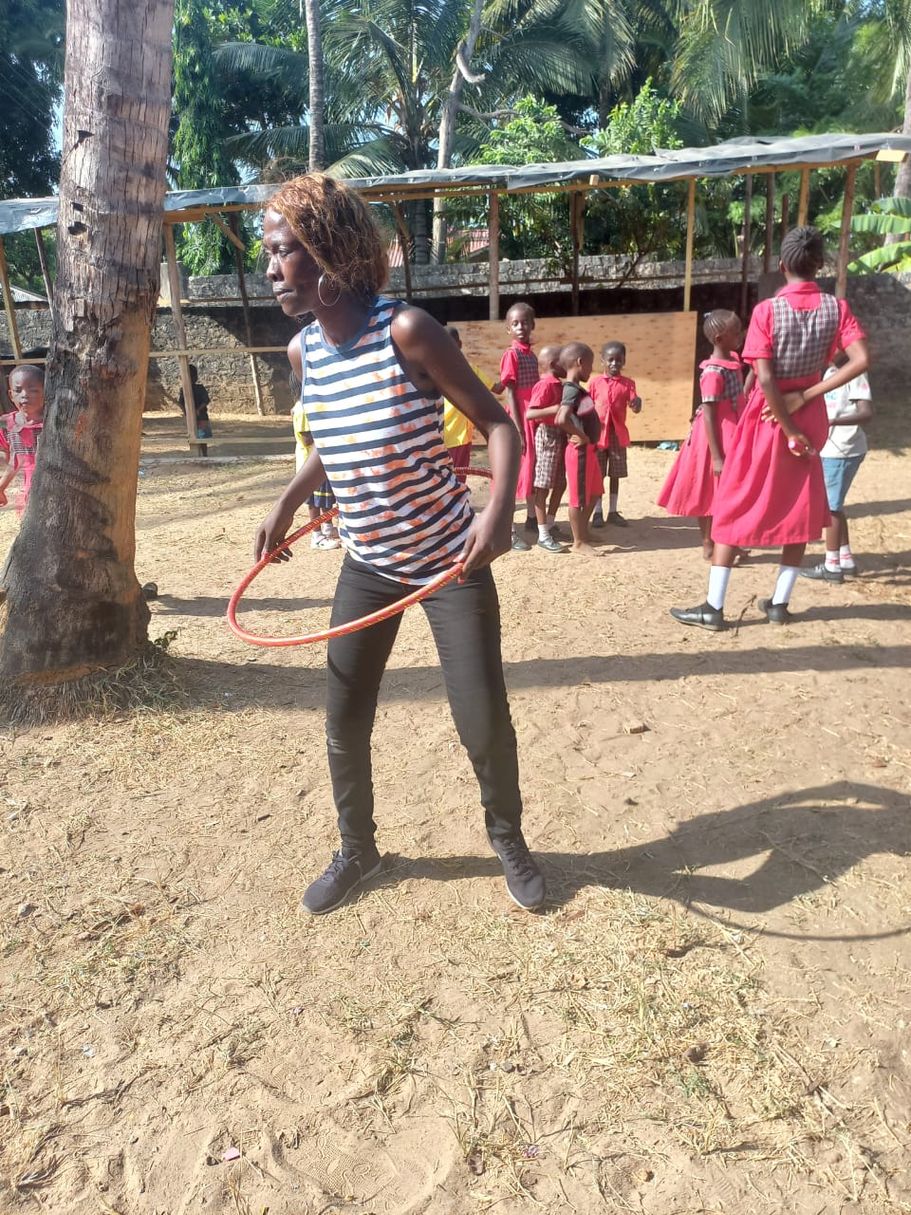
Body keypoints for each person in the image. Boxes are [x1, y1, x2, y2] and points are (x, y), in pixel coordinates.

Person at [254, 173, 545, 915]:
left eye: (282, 252)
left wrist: (497, 510)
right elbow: (336, 437)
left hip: (452, 558)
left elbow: (498, 424)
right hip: (369, 562)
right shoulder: (302, 355)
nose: (268, 268)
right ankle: (358, 849)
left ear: (326, 256)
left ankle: (507, 836)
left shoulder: (406, 331)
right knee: (344, 716)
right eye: (267, 252)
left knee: (480, 718)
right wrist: (287, 499)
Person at [670, 226, 868, 632]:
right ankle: (779, 603)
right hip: (810, 415)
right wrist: (808, 396)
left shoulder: (767, 311)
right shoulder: (837, 307)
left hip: (767, 416)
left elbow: (762, 377)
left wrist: (785, 417)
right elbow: (860, 360)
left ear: (781, 266)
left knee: (733, 501)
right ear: (819, 264)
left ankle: (713, 606)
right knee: (800, 503)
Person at [657, 311, 745, 561]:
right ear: (719, 338)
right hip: (713, 438)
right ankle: (708, 542)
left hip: (732, 431)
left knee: (731, 491)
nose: (740, 335)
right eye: (736, 332)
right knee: (708, 491)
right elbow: (709, 415)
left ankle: (728, 541)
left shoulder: (733, 360)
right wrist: (716, 457)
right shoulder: (712, 373)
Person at [798, 360, 873, 582]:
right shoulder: (828, 371)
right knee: (835, 504)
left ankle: (832, 566)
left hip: (843, 449)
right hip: (830, 447)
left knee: (831, 507)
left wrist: (831, 421)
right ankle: (845, 559)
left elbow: (866, 413)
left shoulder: (855, 373)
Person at [588, 341, 641, 527]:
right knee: (599, 474)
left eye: (619, 360)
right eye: (610, 359)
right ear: (602, 360)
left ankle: (612, 510)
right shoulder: (595, 383)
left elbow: (635, 406)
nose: (614, 364)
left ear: (624, 360)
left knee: (615, 474)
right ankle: (597, 511)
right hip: (598, 434)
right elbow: (587, 406)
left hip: (617, 435)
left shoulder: (628, 384)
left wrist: (637, 404)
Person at [499, 301, 539, 550]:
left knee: (532, 469)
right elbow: (510, 392)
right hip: (519, 417)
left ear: (532, 325)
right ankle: (508, 530)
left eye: (524, 322)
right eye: (515, 323)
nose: (520, 327)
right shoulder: (511, 355)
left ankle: (533, 519)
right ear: (508, 329)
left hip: (532, 416)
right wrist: (517, 427)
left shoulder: (531, 354)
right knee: (514, 473)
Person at [556, 342, 602, 553]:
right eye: (591, 365)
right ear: (580, 362)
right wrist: (581, 435)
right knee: (579, 498)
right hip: (579, 451)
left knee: (594, 493)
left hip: (589, 450)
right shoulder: (571, 390)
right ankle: (578, 542)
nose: (591, 370)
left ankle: (583, 532)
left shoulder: (577, 389)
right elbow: (561, 418)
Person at [290, 373, 341, 550]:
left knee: (325, 499)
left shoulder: (307, 406)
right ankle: (317, 535)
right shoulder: (303, 409)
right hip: (309, 464)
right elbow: (306, 439)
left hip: (320, 463)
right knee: (314, 502)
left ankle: (327, 528)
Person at [440, 326, 501, 474]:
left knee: (449, 479)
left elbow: (496, 388)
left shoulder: (436, 370)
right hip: (457, 436)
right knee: (458, 478)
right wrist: (511, 374)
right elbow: (497, 388)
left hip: (449, 434)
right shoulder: (469, 369)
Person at [525, 344, 567, 553]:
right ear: (553, 364)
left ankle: (550, 524)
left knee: (560, 483)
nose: (568, 364)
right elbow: (530, 414)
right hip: (547, 435)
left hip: (559, 435)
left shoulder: (560, 385)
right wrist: (554, 409)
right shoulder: (545, 385)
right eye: (564, 360)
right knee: (542, 485)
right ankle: (542, 534)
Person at [0, 364, 45, 516]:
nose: (24, 395)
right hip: (31, 492)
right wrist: (1, 487)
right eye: (18, 390)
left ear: (45, 393)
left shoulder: (56, 422)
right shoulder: (8, 424)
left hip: (59, 489)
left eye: (33, 390)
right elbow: (16, 460)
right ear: (11, 395)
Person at [177, 363, 213, 442]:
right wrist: (187, 412)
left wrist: (197, 410)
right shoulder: (184, 390)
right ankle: (203, 453)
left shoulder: (198, 388)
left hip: (201, 417)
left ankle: (203, 453)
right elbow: (206, 400)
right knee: (195, 437)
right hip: (197, 417)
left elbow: (206, 400)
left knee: (201, 437)